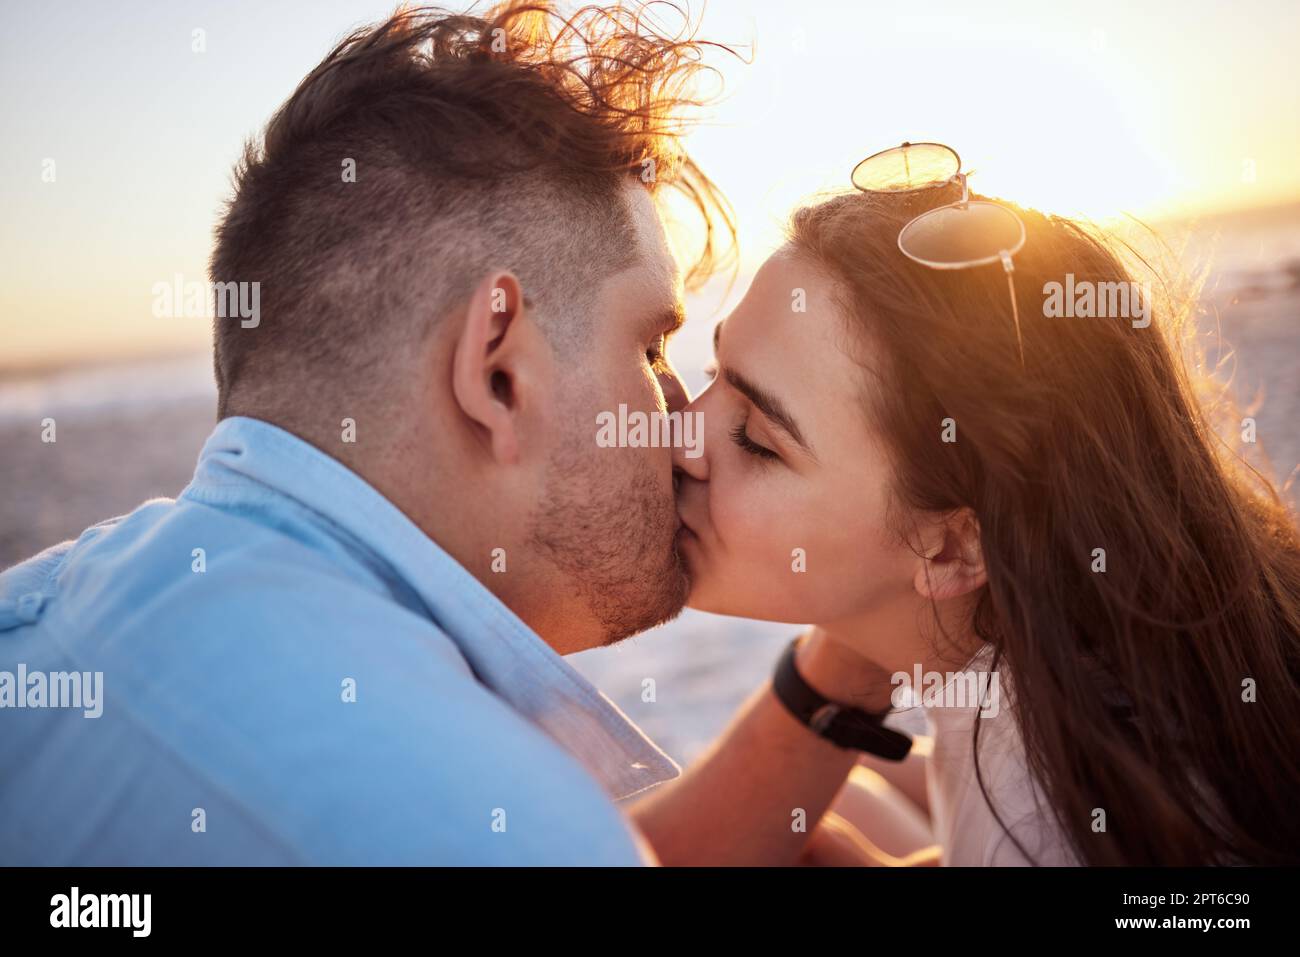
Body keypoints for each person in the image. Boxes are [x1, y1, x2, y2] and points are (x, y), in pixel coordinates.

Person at [0, 3, 880, 866]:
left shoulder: (29, 625)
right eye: (651, 346)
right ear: (497, 373)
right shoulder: (511, 830)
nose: (684, 418)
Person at [662, 154, 1300, 865]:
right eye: (714, 373)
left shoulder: (1035, 832)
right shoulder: (1068, 662)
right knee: (838, 796)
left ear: (952, 550)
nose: (678, 433)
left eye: (757, 439)